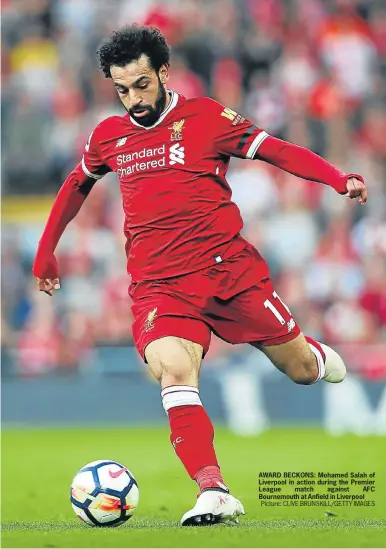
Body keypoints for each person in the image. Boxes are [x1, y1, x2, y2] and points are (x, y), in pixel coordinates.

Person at [32, 26, 368, 526]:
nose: (133, 99)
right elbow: (75, 185)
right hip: (160, 287)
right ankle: (213, 489)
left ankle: (313, 354)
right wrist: (46, 252)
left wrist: (337, 178)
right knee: (173, 370)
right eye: (122, 89)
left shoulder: (206, 117)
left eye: (141, 84)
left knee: (300, 371)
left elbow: (276, 149)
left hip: (229, 274)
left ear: (163, 72)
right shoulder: (108, 136)